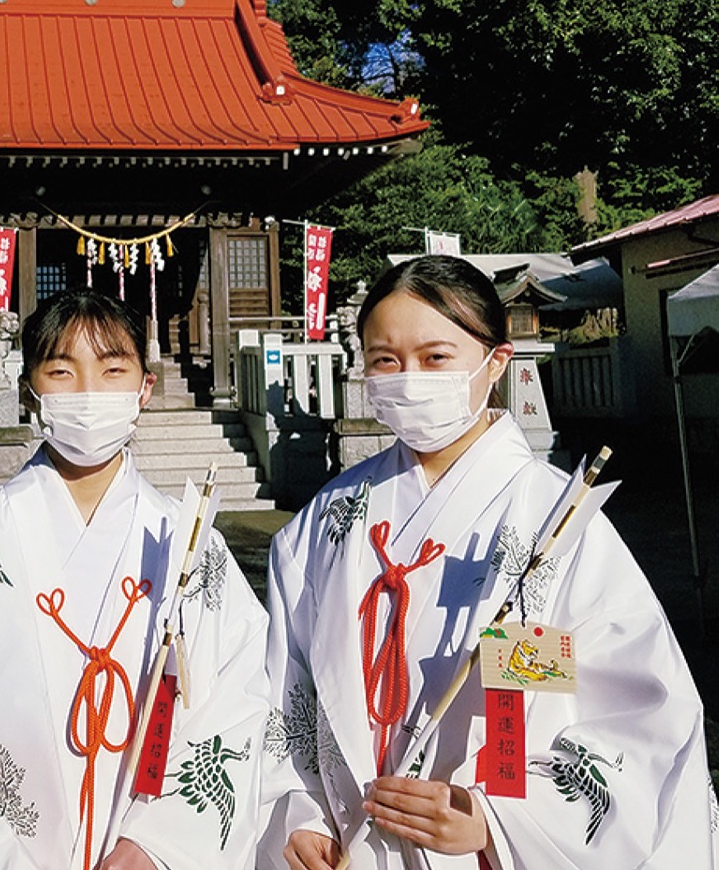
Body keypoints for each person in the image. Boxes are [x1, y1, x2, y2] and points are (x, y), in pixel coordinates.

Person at [258, 256, 718, 869]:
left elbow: (636, 711)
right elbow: (284, 687)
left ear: (495, 362)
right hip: (350, 841)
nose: (408, 378)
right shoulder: (324, 522)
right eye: (384, 360)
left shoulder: (553, 522)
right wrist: (300, 809)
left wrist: (495, 819)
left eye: (436, 358)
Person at [0, 288, 270, 870]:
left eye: (112, 371)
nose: (88, 395)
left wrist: (159, 844)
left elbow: (240, 698)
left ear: (143, 388)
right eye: (61, 371)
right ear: (32, 389)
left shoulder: (189, 543)